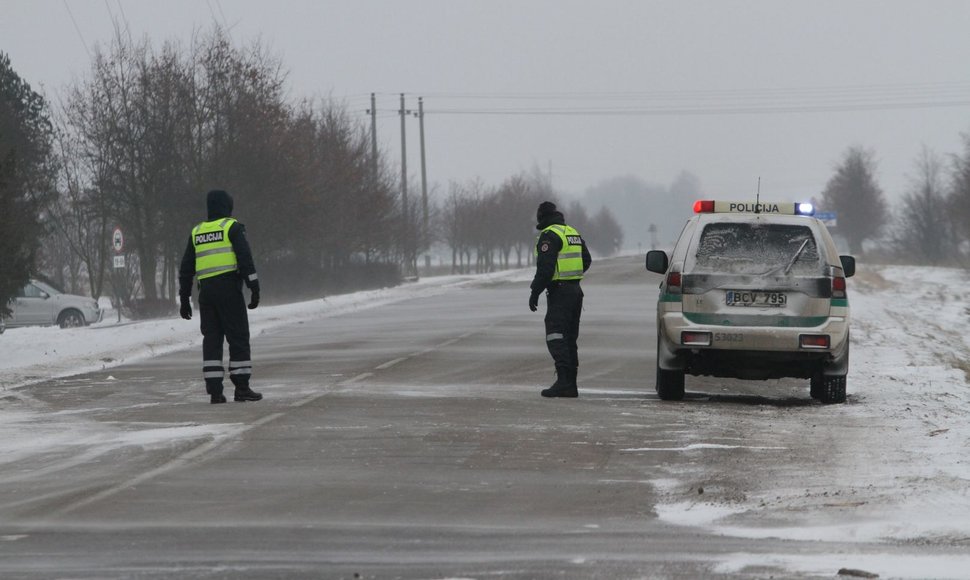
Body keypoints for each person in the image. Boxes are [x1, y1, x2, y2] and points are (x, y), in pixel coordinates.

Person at [178, 189, 262, 404]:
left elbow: (186, 268)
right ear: (227, 206)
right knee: (238, 337)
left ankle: (215, 392)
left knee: (212, 340)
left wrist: (185, 298)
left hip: (205, 294)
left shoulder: (197, 232)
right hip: (229, 291)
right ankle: (242, 387)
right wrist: (254, 287)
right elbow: (245, 259)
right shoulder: (231, 227)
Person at [528, 201, 592, 398]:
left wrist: (535, 291)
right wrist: (572, 276)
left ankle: (563, 381)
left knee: (555, 335)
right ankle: (570, 384)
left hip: (560, 292)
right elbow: (586, 259)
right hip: (575, 291)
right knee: (569, 338)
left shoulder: (549, 235)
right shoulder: (571, 232)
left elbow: (545, 269)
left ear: (541, 217)